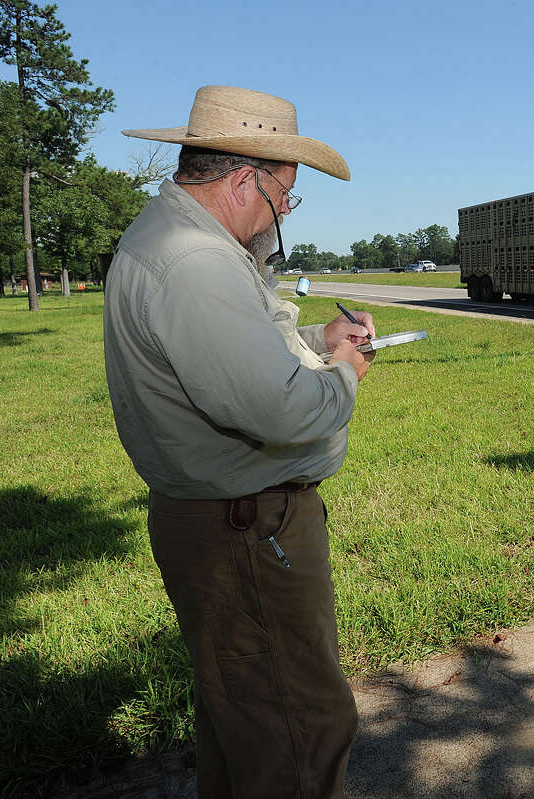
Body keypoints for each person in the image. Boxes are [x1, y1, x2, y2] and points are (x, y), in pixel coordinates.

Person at [103, 85, 372, 797]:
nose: (284, 213)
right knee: (300, 734)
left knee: (244, 726)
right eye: (286, 196)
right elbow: (283, 409)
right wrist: (344, 373)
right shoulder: (197, 261)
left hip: (225, 527)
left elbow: (237, 350)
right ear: (245, 179)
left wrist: (319, 338)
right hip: (249, 535)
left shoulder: (177, 240)